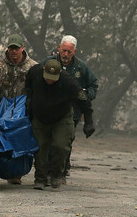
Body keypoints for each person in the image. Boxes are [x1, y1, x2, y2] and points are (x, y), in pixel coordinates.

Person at [25, 59, 95, 190]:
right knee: (40, 148)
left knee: (61, 146)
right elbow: (28, 82)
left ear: (60, 73)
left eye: (53, 79)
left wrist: (89, 123)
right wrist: (29, 99)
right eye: (47, 78)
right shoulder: (35, 72)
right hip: (40, 117)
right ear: (43, 70)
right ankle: (40, 178)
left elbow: (84, 100)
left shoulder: (69, 82)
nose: (49, 81)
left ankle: (56, 174)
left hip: (62, 117)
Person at [43, 35, 98, 180]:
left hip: (73, 111)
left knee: (66, 140)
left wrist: (87, 96)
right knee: (50, 141)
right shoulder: (49, 63)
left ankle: (63, 168)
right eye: (64, 51)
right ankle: (49, 170)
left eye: (69, 52)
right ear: (59, 48)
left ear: (75, 51)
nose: (66, 55)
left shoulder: (81, 67)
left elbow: (93, 85)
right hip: (50, 110)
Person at [0, 33, 37, 185]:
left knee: (21, 142)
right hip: (2, 109)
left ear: (22, 48)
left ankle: (16, 174)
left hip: (23, 111)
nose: (13, 51)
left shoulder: (33, 67)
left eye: (16, 48)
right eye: (11, 48)